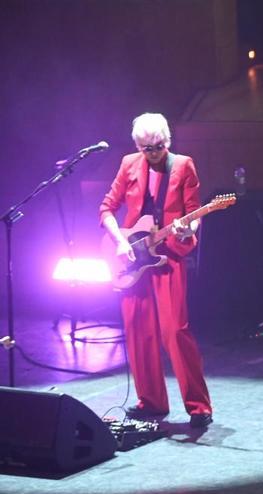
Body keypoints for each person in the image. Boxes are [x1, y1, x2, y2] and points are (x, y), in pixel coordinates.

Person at [99, 112, 213, 428]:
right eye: (146, 148)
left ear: (168, 140)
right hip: (133, 255)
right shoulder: (128, 164)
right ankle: (150, 401)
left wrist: (187, 230)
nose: (153, 153)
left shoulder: (184, 165)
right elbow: (107, 209)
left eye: (158, 146)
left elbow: (194, 213)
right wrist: (120, 241)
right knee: (138, 330)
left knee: (175, 330)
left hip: (168, 257)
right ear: (137, 145)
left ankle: (198, 406)